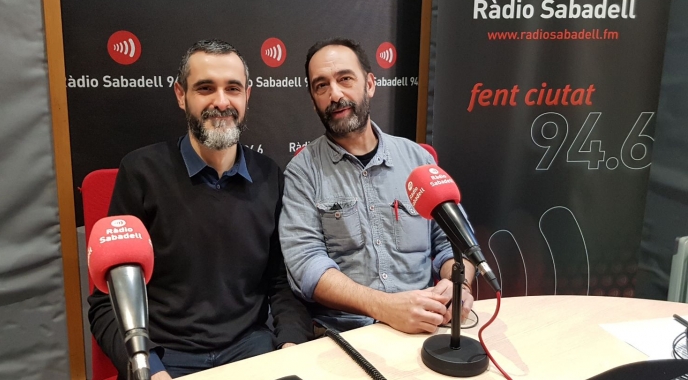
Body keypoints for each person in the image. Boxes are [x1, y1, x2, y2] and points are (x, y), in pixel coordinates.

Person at [88, 39, 312, 380]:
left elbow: (282, 283)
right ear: (181, 95)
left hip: (250, 351)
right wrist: (149, 368)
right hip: (165, 357)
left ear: (247, 96)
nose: (221, 102)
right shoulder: (141, 172)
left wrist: (291, 347)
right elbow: (107, 302)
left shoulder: (270, 176)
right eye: (205, 88)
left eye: (232, 89)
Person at [280, 37, 476, 335]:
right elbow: (307, 266)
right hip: (346, 335)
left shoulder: (418, 159)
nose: (335, 94)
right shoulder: (302, 171)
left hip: (427, 327)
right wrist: (384, 306)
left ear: (369, 84)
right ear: (313, 99)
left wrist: (456, 285)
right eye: (321, 86)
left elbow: (456, 242)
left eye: (345, 79)